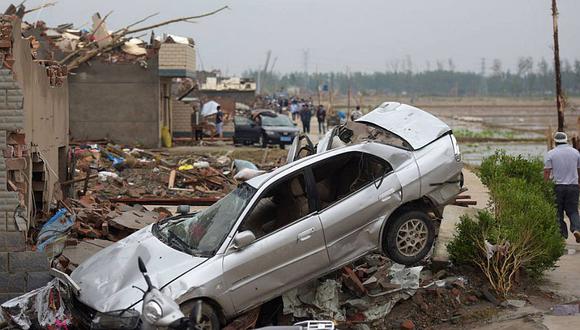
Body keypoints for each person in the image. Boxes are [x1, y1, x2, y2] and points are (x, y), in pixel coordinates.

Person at [544, 131, 580, 242]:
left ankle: (561, 235)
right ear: (566, 140)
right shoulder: (575, 153)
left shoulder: (551, 153)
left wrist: (545, 185)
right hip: (573, 186)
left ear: (555, 142)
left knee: (557, 211)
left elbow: (547, 172)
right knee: (573, 211)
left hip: (557, 187)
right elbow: (579, 170)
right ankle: (576, 229)